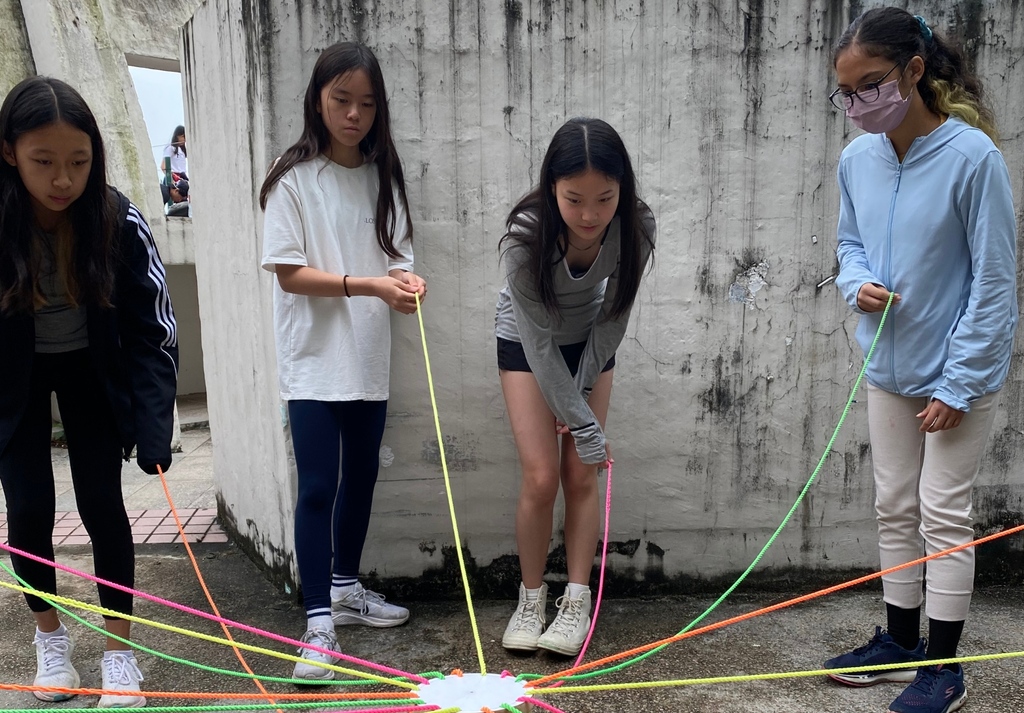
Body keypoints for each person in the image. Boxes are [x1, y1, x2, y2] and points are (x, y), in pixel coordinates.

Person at [824, 8, 1017, 713]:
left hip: (957, 375)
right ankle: (900, 641)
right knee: (894, 505)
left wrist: (961, 384)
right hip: (888, 366)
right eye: (844, 93)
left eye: (868, 86)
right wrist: (856, 284)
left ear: (913, 71)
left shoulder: (973, 159)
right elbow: (849, 246)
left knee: (941, 511)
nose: (856, 105)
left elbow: (994, 282)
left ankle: (943, 666)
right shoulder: (857, 160)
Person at [0, 77, 178, 707]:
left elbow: (153, 327)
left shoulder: (116, 218)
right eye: (42, 161)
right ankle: (51, 643)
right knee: (27, 513)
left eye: (78, 162)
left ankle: (119, 652)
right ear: (9, 153)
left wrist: (155, 424)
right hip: (12, 374)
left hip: (89, 367)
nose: (61, 179)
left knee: (103, 503)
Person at [259, 41, 426, 682]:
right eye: (341, 100)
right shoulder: (291, 177)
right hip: (311, 364)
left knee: (360, 480)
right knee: (317, 489)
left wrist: (408, 286)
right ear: (318, 100)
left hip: (369, 359)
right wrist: (373, 286)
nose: (354, 114)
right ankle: (318, 622)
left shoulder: (386, 178)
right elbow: (292, 275)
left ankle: (347, 589)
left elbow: (400, 259)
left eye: (366, 103)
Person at [495, 118, 655, 656]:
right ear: (551, 190)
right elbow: (538, 342)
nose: (590, 216)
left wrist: (580, 401)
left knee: (580, 471)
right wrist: (575, 411)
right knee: (542, 477)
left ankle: (577, 601)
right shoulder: (524, 236)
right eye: (573, 199)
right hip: (526, 342)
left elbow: (614, 317)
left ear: (622, 190)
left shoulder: (636, 225)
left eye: (605, 199)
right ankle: (531, 597)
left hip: (591, 341)